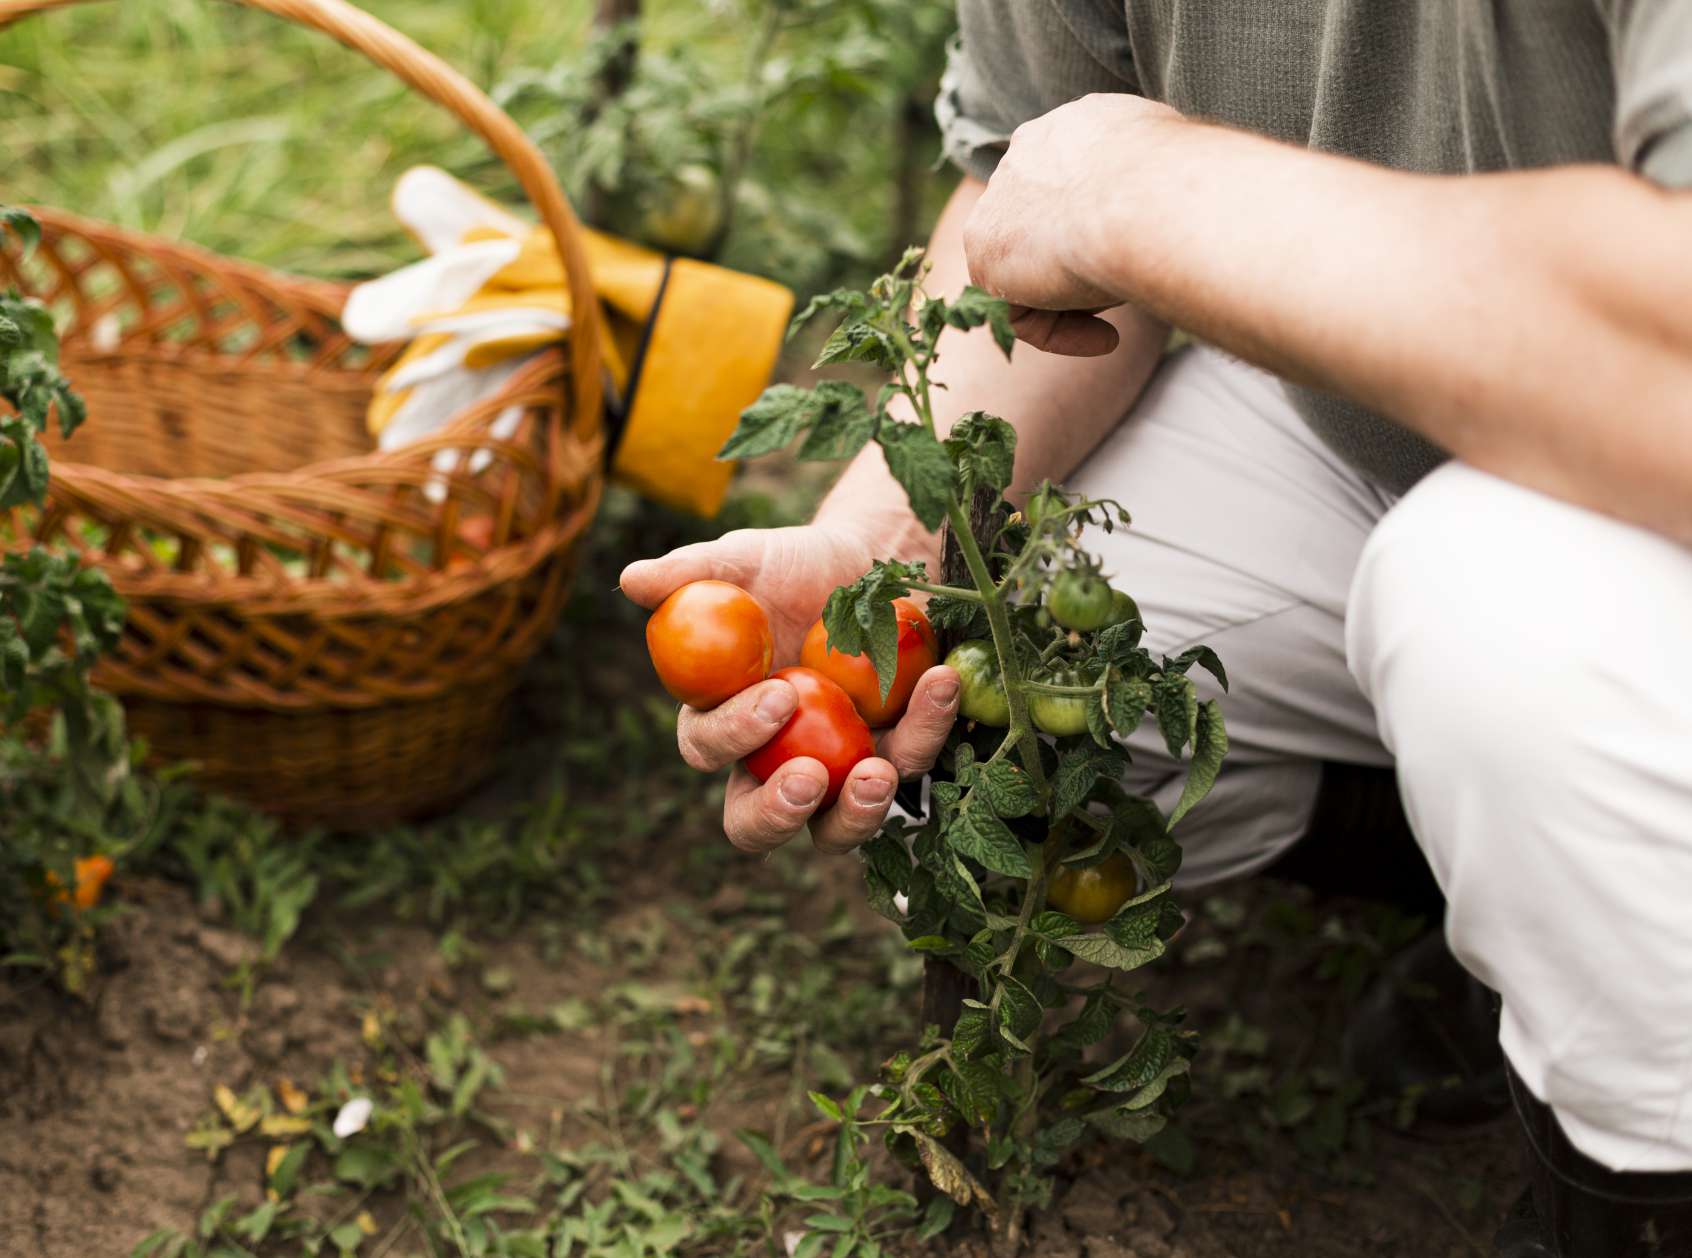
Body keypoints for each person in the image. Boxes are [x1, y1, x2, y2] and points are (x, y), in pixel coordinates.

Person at [620, 5, 1692, 1253]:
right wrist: (877, 558)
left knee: (1496, 616)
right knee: (988, 712)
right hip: (1364, 413)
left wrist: (1142, 190)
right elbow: (1029, 203)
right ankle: (1520, 911)